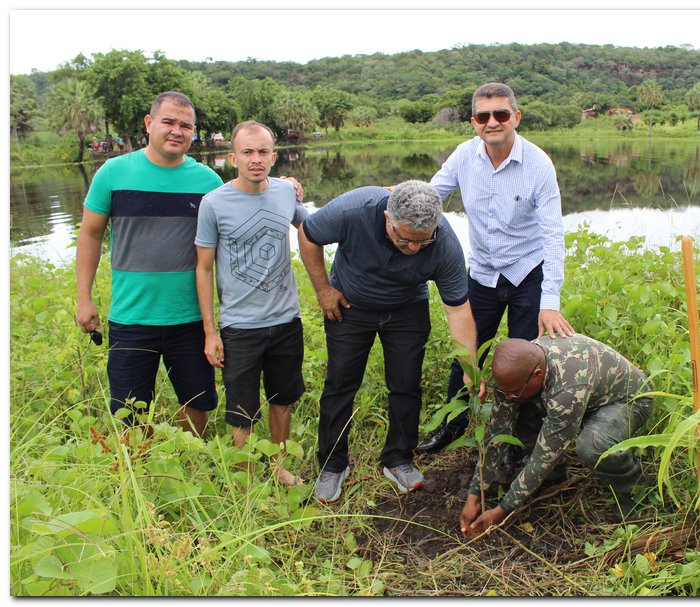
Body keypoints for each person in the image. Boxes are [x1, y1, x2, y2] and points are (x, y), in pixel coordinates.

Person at [75, 91, 303, 436]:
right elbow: (90, 235)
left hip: (191, 316)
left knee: (198, 400)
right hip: (131, 314)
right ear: (150, 123)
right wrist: (84, 297)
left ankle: (187, 456)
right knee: (129, 408)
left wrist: (284, 184)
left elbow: (245, 198)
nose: (177, 131)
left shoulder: (207, 182)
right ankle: (141, 469)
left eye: (186, 126)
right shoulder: (113, 172)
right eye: (168, 122)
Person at [298, 180, 484, 503]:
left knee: (406, 385)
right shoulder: (354, 210)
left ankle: (398, 458)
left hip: (406, 309)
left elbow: (458, 311)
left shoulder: (445, 243)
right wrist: (324, 291)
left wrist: (469, 367)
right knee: (340, 384)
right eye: (405, 240)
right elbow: (308, 234)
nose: (414, 249)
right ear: (387, 218)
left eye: (422, 243)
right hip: (350, 306)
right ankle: (332, 464)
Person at [417, 82, 575, 455]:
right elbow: (429, 197)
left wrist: (549, 301)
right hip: (484, 272)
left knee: (526, 359)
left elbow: (553, 234)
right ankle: (452, 425)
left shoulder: (538, 164)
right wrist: (388, 197)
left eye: (501, 114)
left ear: (515, 117)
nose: (493, 122)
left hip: (527, 273)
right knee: (467, 352)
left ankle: (518, 441)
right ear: (474, 122)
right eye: (483, 116)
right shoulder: (463, 156)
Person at [195, 121, 308, 487]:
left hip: (286, 320)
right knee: (241, 408)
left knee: (283, 398)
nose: (255, 159)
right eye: (247, 152)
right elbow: (204, 267)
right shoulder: (214, 203)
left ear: (274, 157)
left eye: (263, 152)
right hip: (240, 326)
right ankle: (245, 478)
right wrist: (210, 331)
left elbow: (316, 228)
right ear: (232, 158)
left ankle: (277, 467)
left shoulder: (285, 193)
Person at [459, 334, 654, 539]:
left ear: (537, 374)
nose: (508, 397)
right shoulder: (514, 374)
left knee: (593, 446)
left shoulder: (568, 389)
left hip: (627, 400)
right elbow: (498, 431)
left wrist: (502, 510)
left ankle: (636, 492)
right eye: (504, 391)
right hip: (584, 395)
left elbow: (545, 455)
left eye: (513, 392)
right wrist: (474, 493)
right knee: (518, 410)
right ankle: (554, 475)